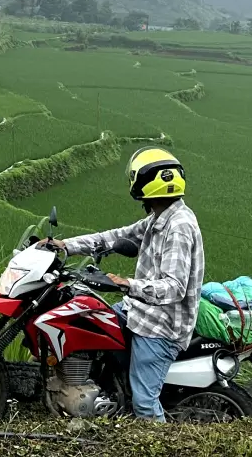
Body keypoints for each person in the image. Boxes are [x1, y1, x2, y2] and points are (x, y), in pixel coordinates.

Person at [51, 146, 204, 422]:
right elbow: (115, 237)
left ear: (148, 182)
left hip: (161, 326)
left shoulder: (179, 226)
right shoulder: (158, 218)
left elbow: (174, 287)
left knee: (145, 404)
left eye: (135, 177)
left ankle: (161, 442)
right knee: (87, 320)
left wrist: (127, 284)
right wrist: (65, 246)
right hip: (137, 311)